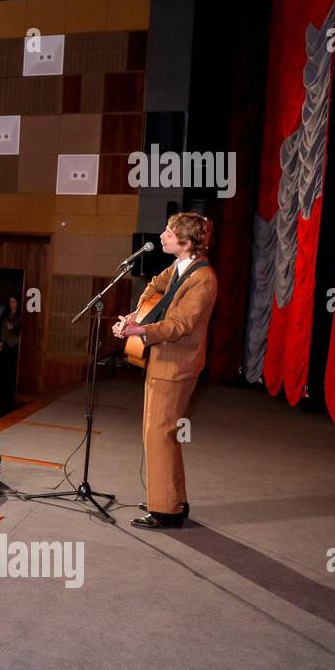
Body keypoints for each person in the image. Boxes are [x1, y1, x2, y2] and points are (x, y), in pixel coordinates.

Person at [113, 213, 218, 530]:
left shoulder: (203, 279)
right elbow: (155, 287)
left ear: (186, 243)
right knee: (161, 434)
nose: (162, 235)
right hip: (163, 360)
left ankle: (165, 511)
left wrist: (138, 331)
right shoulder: (179, 268)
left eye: (170, 233)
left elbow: (180, 325)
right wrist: (138, 312)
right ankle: (173, 498)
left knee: (159, 435)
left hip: (176, 365)